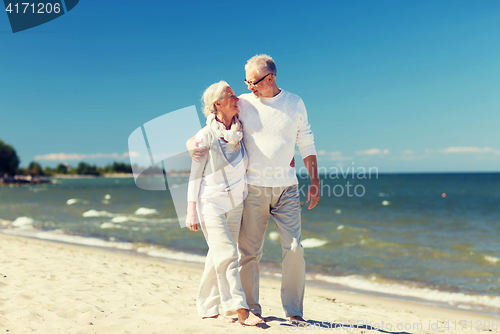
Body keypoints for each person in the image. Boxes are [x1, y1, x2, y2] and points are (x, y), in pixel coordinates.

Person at [188, 55, 320, 324]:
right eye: (245, 81)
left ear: (269, 78)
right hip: (252, 189)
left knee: (295, 248)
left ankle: (294, 311)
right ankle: (250, 308)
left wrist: (315, 182)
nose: (248, 87)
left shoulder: (295, 103)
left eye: (252, 81)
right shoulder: (243, 104)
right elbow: (212, 125)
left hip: (287, 189)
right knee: (248, 253)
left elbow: (306, 142)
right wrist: (192, 145)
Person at [185, 81, 263, 326]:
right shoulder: (206, 134)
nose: (235, 97)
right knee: (228, 253)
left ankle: (207, 308)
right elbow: (194, 175)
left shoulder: (240, 132)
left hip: (236, 204)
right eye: (230, 95)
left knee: (216, 256)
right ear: (217, 104)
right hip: (211, 204)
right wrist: (191, 211)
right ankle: (237, 308)